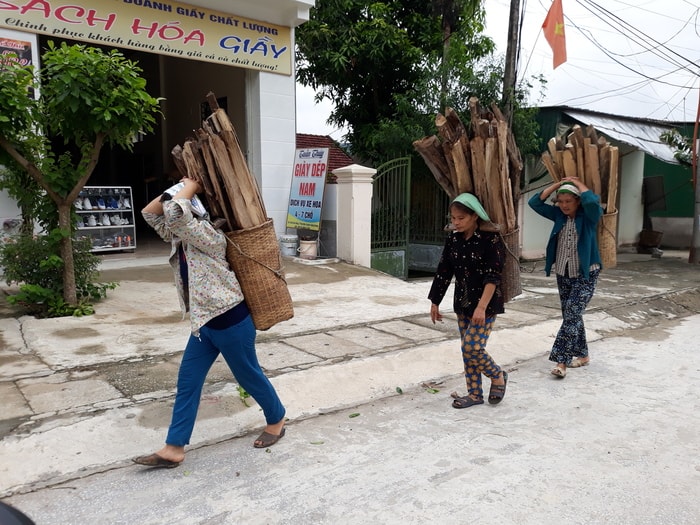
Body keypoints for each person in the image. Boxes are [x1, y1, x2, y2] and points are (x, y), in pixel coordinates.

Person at [133, 177, 286, 468]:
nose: (176, 205)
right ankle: (174, 448)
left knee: (248, 376)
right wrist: (178, 186)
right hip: (204, 324)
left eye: (185, 200)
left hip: (230, 320)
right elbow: (150, 213)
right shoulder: (182, 233)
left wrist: (192, 186)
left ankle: (276, 419)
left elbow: (176, 214)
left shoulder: (208, 234)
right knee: (188, 382)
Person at [428, 193, 508, 408]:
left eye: (461, 218)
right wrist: (435, 301)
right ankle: (474, 395)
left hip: (486, 304)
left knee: (472, 347)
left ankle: (497, 375)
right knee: (467, 350)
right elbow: (444, 272)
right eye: (453, 218)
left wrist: (481, 308)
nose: (455, 222)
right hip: (463, 303)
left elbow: (493, 276)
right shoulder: (453, 239)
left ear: (474, 216)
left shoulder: (490, 240)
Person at [528, 176, 603, 378]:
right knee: (571, 315)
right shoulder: (558, 216)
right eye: (560, 201)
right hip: (563, 271)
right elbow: (534, 203)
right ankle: (584, 355)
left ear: (577, 201)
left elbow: (592, 201)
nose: (563, 206)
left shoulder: (588, 217)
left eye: (568, 201)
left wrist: (578, 182)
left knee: (571, 313)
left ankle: (562, 361)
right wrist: (558, 185)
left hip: (586, 273)